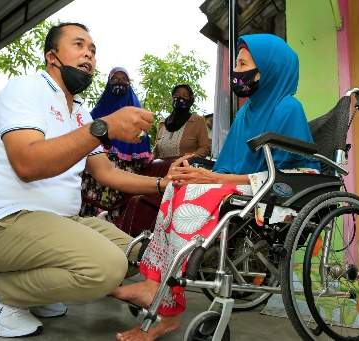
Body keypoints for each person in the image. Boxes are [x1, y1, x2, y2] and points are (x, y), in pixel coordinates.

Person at [0, 22, 185, 338]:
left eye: (93, 51)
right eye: (79, 45)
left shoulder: (80, 111)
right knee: (107, 267)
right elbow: (27, 164)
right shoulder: (27, 89)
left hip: (62, 221)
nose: (89, 55)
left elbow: (106, 173)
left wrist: (162, 184)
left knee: (147, 254)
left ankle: (37, 291)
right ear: (52, 57)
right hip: (5, 222)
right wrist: (103, 128)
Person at [111, 33, 321, 341]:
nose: (236, 71)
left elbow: (292, 174)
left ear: (269, 69)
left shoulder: (288, 109)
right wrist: (193, 171)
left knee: (195, 194)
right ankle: (156, 286)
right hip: (240, 187)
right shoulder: (247, 113)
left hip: (273, 190)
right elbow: (225, 166)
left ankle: (165, 302)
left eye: (243, 64)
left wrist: (212, 180)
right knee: (177, 186)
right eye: (235, 63)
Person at [81, 67, 152, 222]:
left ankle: (115, 226)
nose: (119, 83)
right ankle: (86, 222)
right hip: (97, 161)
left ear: (129, 83)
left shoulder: (136, 109)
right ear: (109, 82)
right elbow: (86, 133)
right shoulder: (99, 109)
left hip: (126, 165)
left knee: (119, 202)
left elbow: (143, 137)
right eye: (115, 79)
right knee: (89, 198)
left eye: (123, 80)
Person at [152, 84, 210, 159]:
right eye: (176, 95)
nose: (180, 98)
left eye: (185, 96)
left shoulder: (197, 121)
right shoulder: (162, 123)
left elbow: (204, 148)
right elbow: (155, 152)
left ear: (190, 101)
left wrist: (186, 160)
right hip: (162, 169)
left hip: (185, 169)